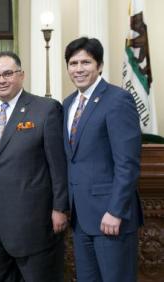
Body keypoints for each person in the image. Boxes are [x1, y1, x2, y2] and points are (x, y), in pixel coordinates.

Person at [0, 51, 68, 282]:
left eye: (7, 74)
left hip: (31, 224)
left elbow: (57, 165)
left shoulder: (45, 109)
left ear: (21, 75)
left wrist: (60, 207)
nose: (1, 80)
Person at [63, 37, 143, 282]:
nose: (78, 68)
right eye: (73, 62)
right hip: (81, 218)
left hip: (111, 218)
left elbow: (127, 163)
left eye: (86, 62)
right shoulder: (68, 104)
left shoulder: (117, 100)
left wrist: (115, 211)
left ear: (99, 65)